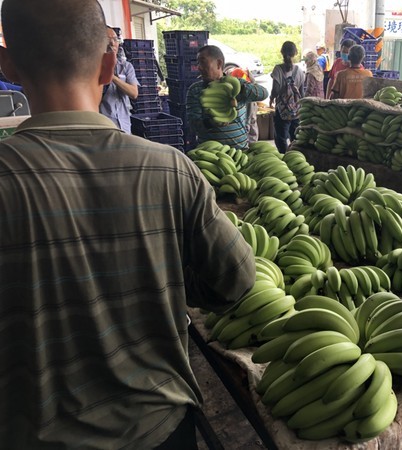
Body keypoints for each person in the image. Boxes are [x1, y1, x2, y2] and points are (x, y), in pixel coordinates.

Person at [0, 1, 255, 449]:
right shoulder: (171, 170)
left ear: (7, 66)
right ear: (106, 65)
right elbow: (236, 279)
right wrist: (173, 278)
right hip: (159, 429)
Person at [187, 45, 268, 150]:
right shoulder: (196, 90)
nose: (199, 67)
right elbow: (193, 125)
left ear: (219, 64)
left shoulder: (237, 84)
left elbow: (264, 93)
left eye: (203, 62)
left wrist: (240, 90)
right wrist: (210, 123)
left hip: (240, 152)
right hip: (209, 155)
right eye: (198, 63)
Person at [99, 26, 139, 133]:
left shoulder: (126, 66)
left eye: (115, 39)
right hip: (105, 125)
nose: (112, 43)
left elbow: (134, 93)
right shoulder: (94, 68)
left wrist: (112, 77)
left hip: (124, 123)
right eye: (108, 39)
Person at [269, 41, 305, 153]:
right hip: (296, 109)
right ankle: (295, 155)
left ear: (282, 52)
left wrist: (271, 98)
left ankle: (284, 157)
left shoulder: (278, 69)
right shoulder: (299, 71)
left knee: (281, 137)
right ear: (295, 53)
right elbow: (301, 92)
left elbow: (275, 89)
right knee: (295, 136)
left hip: (282, 110)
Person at [229, 67, 259, 144]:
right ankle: (250, 142)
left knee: (249, 121)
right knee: (250, 121)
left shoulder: (240, 74)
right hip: (247, 100)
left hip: (249, 101)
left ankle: (251, 143)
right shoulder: (241, 73)